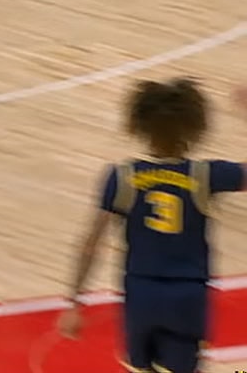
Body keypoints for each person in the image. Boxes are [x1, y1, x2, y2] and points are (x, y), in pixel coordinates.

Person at [57, 78, 247, 373]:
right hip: (187, 297)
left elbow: (90, 244)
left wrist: (75, 302)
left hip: (140, 294)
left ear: (140, 125)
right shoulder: (206, 175)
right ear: (194, 126)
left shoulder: (121, 177)